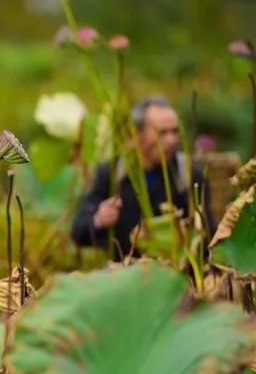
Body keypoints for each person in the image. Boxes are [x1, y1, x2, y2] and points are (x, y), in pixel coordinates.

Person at [71, 95, 216, 258]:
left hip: (175, 274)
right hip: (125, 275)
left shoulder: (188, 174)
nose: (171, 140)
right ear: (137, 134)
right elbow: (78, 232)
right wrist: (99, 219)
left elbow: (209, 234)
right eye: (162, 133)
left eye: (175, 131)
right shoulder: (112, 173)